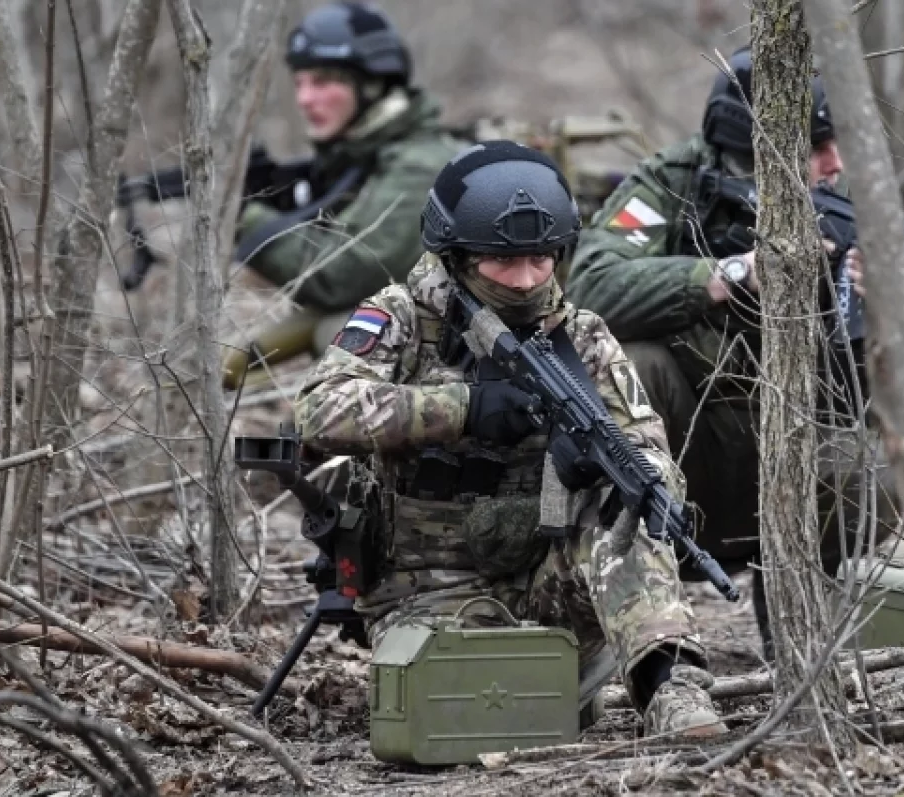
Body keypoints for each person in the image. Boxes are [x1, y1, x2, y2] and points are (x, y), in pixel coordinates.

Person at [294, 140, 728, 738]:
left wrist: (608, 469)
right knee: (469, 718)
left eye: (541, 260)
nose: (525, 280)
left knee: (629, 509)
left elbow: (645, 441)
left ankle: (672, 690)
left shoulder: (582, 336)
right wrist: (462, 409)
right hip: (429, 593)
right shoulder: (400, 320)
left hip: (550, 584)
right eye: (503, 262)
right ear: (458, 256)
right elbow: (319, 410)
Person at [566, 48, 901, 652]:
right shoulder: (669, 186)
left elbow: (851, 408)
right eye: (816, 147)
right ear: (758, 155)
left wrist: (863, 312)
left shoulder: (840, 215)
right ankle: (632, 616)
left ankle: (797, 627)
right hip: (681, 449)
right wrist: (727, 273)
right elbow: (590, 286)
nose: (835, 164)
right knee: (636, 365)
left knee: (876, 465)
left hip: (782, 449)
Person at [223, 1, 464, 389]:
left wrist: (244, 218)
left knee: (337, 329)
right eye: (300, 82)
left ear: (371, 85)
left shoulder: (419, 164)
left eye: (322, 82)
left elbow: (342, 277)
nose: (303, 98)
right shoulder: (364, 153)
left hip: (461, 351)